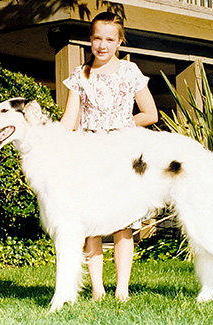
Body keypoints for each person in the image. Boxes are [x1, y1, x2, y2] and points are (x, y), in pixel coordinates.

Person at [61, 11, 158, 302]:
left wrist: (120, 125)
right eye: (97, 38)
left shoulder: (130, 72)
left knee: (121, 223)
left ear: (119, 42)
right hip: (89, 154)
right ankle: (97, 289)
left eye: (109, 39)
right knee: (91, 223)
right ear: (90, 40)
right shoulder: (80, 76)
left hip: (121, 153)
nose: (102, 45)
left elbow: (149, 113)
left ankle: (122, 289)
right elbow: (68, 121)